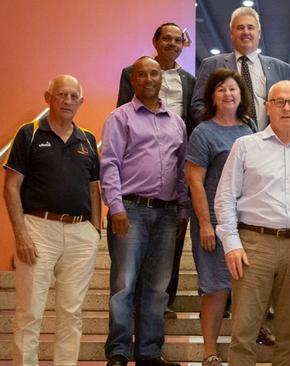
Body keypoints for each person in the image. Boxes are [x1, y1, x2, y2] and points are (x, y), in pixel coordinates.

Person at [215, 80, 290, 366]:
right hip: (254, 246)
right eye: (280, 102)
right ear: (268, 107)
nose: (287, 108)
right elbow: (225, 197)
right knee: (244, 331)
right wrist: (231, 245)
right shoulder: (246, 146)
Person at [4, 75, 101, 366]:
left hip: (80, 234)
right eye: (61, 95)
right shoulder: (29, 133)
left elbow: (94, 188)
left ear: (81, 102)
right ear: (48, 98)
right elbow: (11, 186)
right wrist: (21, 235)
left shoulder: (88, 138)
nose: (68, 101)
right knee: (30, 312)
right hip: (38, 230)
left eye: (73, 96)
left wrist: (95, 230)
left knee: (71, 314)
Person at [101, 56, 189, 366]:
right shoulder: (119, 117)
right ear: (134, 80)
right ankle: (119, 351)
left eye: (155, 73)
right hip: (131, 211)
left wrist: (182, 212)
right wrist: (115, 207)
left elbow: (181, 171)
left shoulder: (177, 122)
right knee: (124, 284)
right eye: (143, 74)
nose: (149, 79)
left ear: (161, 79)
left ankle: (149, 352)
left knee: (157, 287)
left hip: (167, 215)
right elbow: (109, 163)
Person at [115, 21, 195, 316]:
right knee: (132, 258)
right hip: (141, 166)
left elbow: (194, 119)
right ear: (155, 41)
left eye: (177, 40)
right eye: (166, 39)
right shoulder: (132, 73)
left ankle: (166, 301)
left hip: (175, 162)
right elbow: (122, 113)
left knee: (171, 243)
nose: (172, 44)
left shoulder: (189, 79)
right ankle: (134, 305)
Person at [186, 68, 256, 366]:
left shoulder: (250, 129)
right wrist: (205, 224)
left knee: (246, 286)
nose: (228, 94)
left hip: (246, 223)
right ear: (212, 96)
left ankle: (243, 347)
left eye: (233, 89)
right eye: (221, 89)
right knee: (216, 287)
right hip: (213, 223)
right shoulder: (203, 132)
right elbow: (194, 181)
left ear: (242, 95)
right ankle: (210, 351)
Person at [191, 6, 290, 130]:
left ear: (259, 33)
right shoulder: (211, 65)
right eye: (240, 28)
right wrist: (218, 131)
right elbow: (198, 106)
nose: (246, 32)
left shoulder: (282, 69)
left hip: (271, 143)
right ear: (231, 34)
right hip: (226, 144)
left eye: (250, 27)